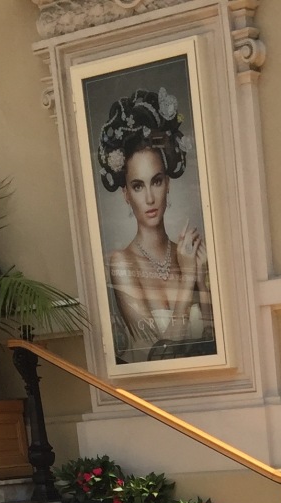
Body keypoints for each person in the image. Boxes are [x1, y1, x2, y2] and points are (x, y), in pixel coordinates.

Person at [96, 87, 214, 362]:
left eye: (156, 181)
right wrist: (187, 280)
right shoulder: (122, 263)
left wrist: (202, 279)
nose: (149, 197)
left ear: (168, 183)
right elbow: (157, 355)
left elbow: (213, 339)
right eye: (138, 186)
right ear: (125, 193)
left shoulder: (188, 254)